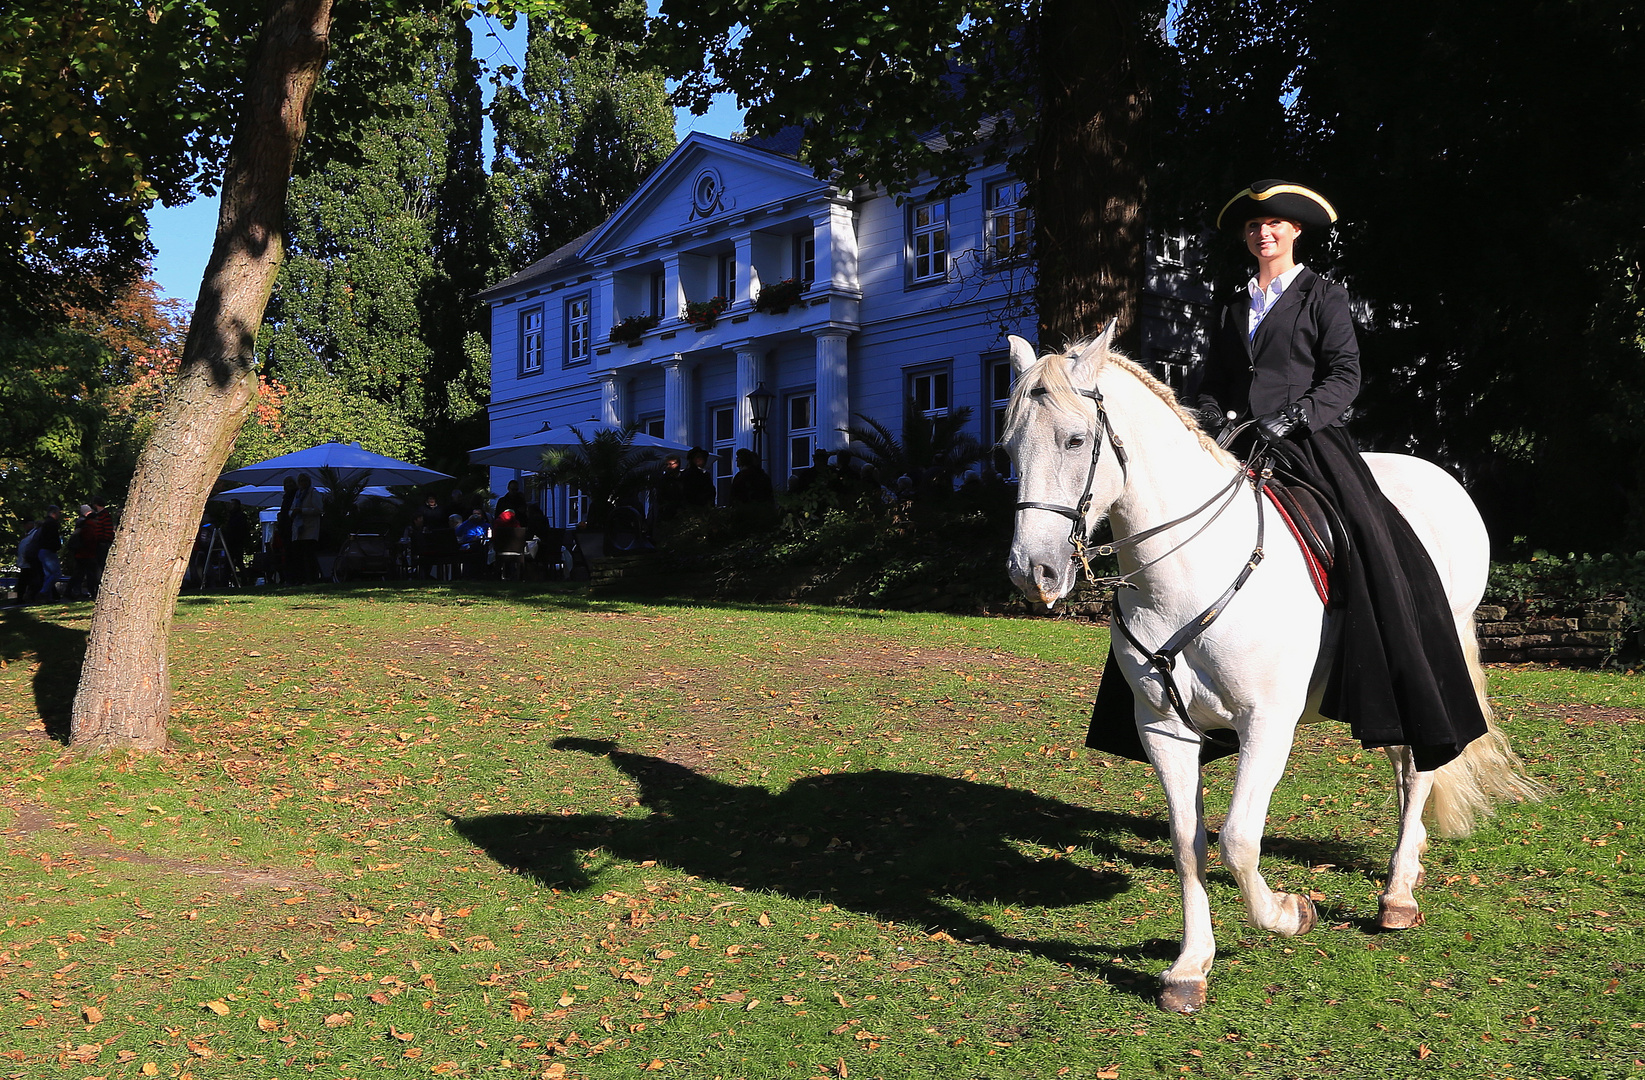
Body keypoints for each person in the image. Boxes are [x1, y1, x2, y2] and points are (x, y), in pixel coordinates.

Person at [1092, 178, 1486, 771]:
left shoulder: (1322, 295)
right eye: (1253, 226)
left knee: (1367, 537)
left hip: (1310, 440)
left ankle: (1390, 655)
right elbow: (1217, 382)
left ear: (1296, 231)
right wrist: (1201, 418)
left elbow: (1345, 375)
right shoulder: (1230, 306)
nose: (1263, 232)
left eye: (1273, 224)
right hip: (1240, 442)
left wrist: (1297, 415)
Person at [290, 473, 323, 584]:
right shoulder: (297, 495)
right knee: (299, 556)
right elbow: (291, 509)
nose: (303, 483)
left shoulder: (314, 493)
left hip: (310, 529)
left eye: (305, 480)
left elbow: (318, 509)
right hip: (298, 530)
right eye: (301, 481)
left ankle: (312, 578)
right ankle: (301, 578)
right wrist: (293, 513)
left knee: (309, 555)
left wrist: (303, 511)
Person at [32, 506, 67, 601]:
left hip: (43, 551)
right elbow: (52, 538)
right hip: (49, 551)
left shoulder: (45, 524)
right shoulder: (51, 524)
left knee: (48, 575)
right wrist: (57, 546)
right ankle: (43, 592)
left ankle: (47, 596)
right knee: (56, 573)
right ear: (54, 513)